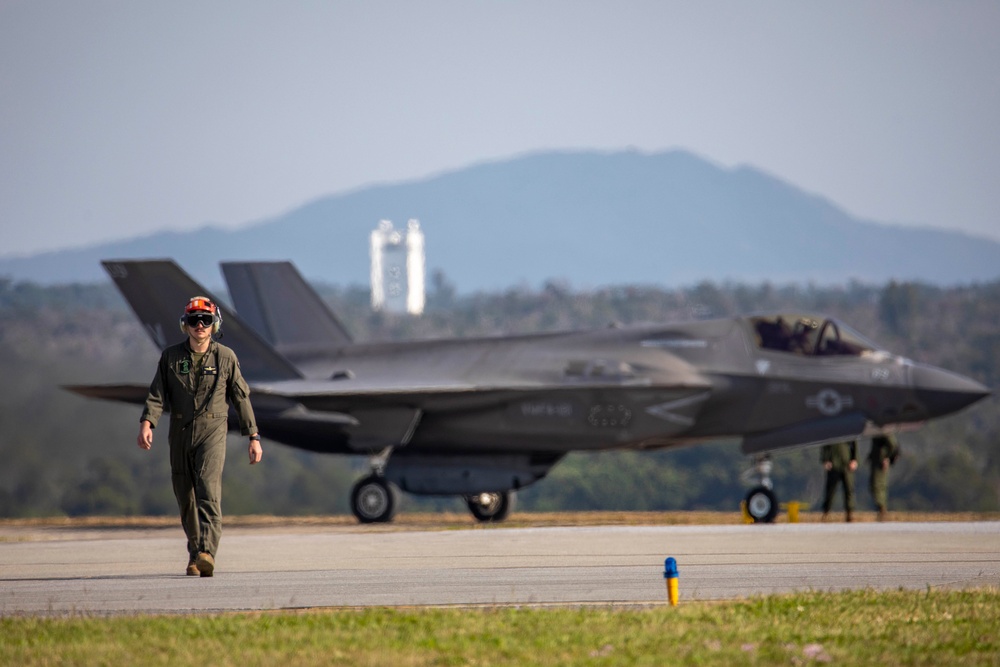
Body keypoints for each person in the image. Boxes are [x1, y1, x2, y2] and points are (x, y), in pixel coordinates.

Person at [136, 296, 261, 577]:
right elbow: (157, 395)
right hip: (179, 432)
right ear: (186, 324)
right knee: (186, 498)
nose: (200, 325)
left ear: (215, 324)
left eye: (205, 320)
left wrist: (253, 435)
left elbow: (241, 398)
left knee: (207, 491)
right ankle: (196, 554)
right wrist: (147, 422)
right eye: (194, 320)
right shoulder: (171, 357)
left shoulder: (225, 357)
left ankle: (207, 552)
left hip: (212, 431)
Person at [820, 440, 858, 522]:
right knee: (830, 491)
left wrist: (854, 459)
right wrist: (825, 460)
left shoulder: (849, 430)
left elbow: (854, 445)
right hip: (833, 464)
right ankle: (826, 513)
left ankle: (849, 513)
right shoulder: (829, 431)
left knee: (849, 490)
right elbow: (825, 446)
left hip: (847, 464)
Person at [868, 434, 900, 521]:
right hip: (876, 460)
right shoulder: (878, 430)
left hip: (880, 462)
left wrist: (887, 458)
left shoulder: (884, 430)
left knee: (878, 485)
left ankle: (882, 509)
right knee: (875, 485)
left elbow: (893, 445)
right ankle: (881, 508)